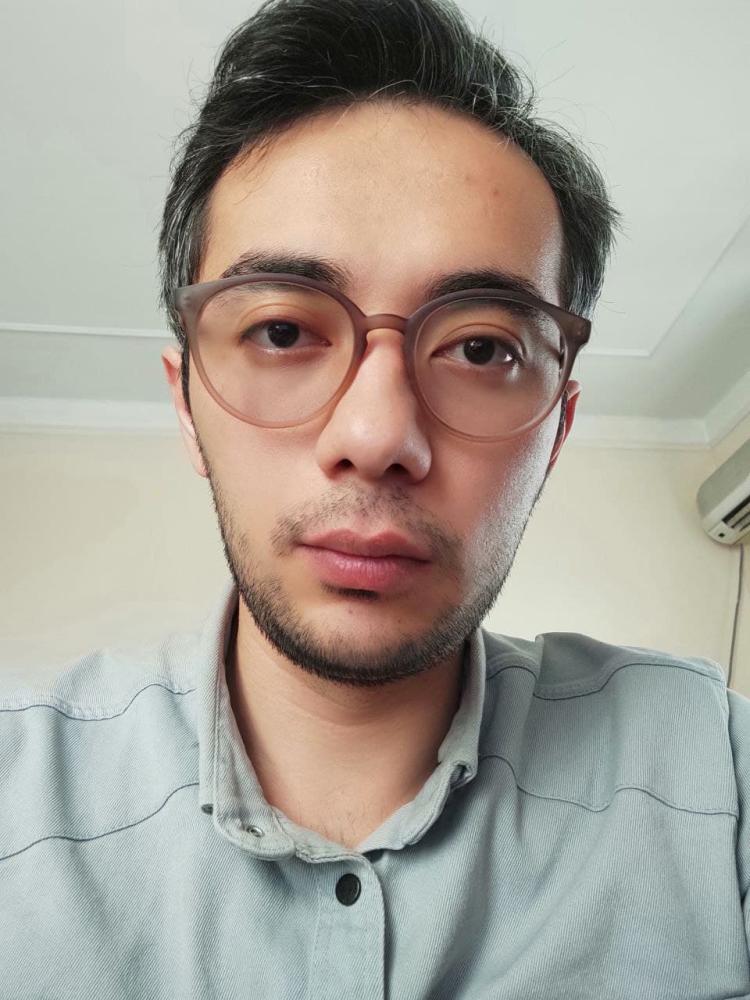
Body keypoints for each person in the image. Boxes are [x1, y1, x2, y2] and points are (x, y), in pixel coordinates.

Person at [2, 0, 748, 996]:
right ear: (188, 406)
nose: (377, 436)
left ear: (556, 433)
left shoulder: (717, 780)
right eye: (281, 331)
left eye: (479, 347)